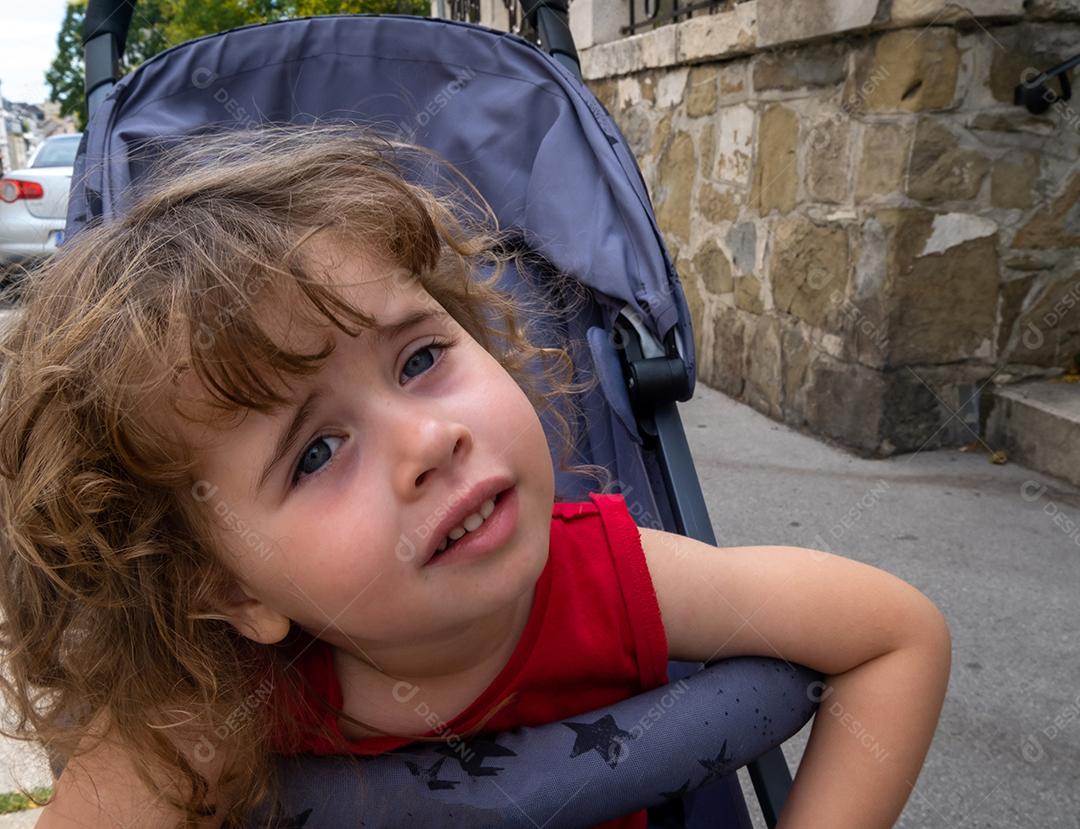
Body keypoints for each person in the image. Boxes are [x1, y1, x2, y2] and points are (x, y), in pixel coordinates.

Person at [0, 125, 951, 829]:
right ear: (228, 584)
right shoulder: (215, 702)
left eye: (418, 361)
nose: (429, 442)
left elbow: (894, 638)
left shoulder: (613, 580)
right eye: (317, 451)